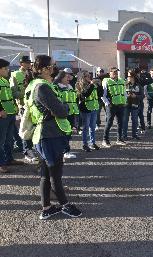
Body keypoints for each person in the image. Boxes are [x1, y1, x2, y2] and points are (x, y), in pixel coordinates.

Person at [24, 55, 81, 219]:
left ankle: (47, 207)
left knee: (46, 174)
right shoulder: (42, 87)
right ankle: (64, 205)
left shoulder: (35, 85)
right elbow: (62, 111)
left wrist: (58, 107)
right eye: (53, 66)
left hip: (43, 135)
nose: (55, 68)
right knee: (54, 173)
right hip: (49, 135)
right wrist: (64, 107)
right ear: (43, 69)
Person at [9, 55, 37, 162]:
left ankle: (32, 149)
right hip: (23, 105)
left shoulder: (32, 74)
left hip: (34, 105)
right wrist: (26, 92)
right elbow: (13, 92)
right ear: (21, 64)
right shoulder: (15, 75)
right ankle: (27, 151)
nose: (29, 64)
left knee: (34, 128)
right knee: (27, 128)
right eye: (27, 62)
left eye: (30, 62)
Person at [0, 59, 24, 174]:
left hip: (10, 113)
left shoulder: (4, 80)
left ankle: (9, 159)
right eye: (5, 68)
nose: (7, 70)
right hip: (3, 115)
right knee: (1, 140)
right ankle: (1, 164)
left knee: (8, 140)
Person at [53, 70, 79, 158]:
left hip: (71, 112)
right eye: (66, 76)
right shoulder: (56, 87)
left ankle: (65, 151)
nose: (68, 78)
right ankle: (63, 151)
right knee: (62, 133)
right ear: (60, 78)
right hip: (62, 113)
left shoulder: (70, 86)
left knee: (68, 132)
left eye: (69, 76)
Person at [101, 67, 127, 147]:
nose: (115, 73)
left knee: (120, 123)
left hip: (121, 105)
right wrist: (107, 103)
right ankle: (105, 140)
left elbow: (124, 92)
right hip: (111, 106)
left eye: (116, 72)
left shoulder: (121, 81)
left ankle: (119, 139)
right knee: (109, 122)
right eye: (114, 72)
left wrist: (125, 101)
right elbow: (103, 94)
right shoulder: (106, 81)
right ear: (110, 73)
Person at [76, 70, 100, 152]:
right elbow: (85, 94)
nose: (89, 77)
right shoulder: (79, 85)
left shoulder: (92, 84)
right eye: (86, 76)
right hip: (85, 108)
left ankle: (92, 143)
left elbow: (99, 94)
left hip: (94, 107)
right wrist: (92, 84)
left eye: (89, 76)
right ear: (83, 77)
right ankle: (85, 144)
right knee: (86, 127)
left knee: (92, 127)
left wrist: (98, 85)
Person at [122, 70, 143, 140]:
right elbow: (121, 94)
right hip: (126, 105)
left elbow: (142, 96)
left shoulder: (138, 85)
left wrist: (136, 96)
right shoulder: (124, 85)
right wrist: (126, 96)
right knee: (125, 120)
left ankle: (134, 135)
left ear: (133, 77)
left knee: (135, 120)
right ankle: (124, 136)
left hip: (135, 105)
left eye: (129, 76)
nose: (128, 78)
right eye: (127, 76)